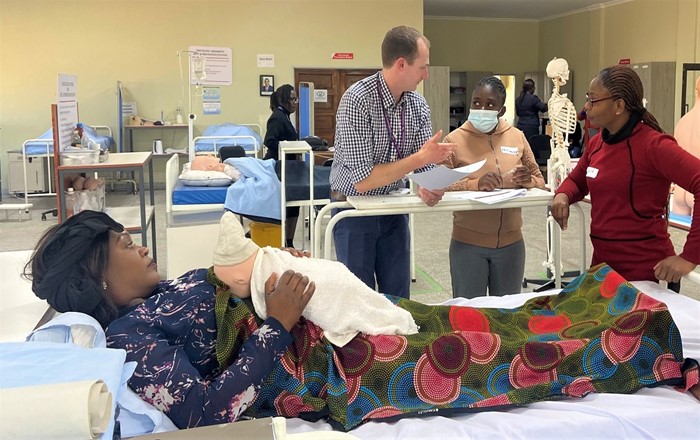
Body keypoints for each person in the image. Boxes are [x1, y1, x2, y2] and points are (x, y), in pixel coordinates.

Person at [22, 210, 700, 431]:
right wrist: (278, 322)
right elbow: (205, 412)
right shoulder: (131, 342)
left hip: (319, 319)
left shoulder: (154, 299)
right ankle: (637, 344)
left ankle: (602, 306)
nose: (137, 243)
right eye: (120, 243)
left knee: (461, 316)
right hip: (328, 362)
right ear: (96, 276)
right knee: (484, 350)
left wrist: (274, 273)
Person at [329, 25, 456, 298]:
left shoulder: (418, 105)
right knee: (358, 300)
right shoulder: (357, 101)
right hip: (354, 212)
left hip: (393, 210)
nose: (427, 74)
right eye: (423, 67)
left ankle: (398, 343)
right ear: (401, 64)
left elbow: (422, 167)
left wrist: (431, 186)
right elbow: (363, 181)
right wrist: (421, 158)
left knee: (398, 301)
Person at [551, 65, 700, 292]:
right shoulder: (598, 142)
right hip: (603, 269)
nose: (586, 107)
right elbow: (577, 180)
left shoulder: (653, 145)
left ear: (619, 105)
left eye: (593, 100)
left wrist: (689, 257)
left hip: (647, 276)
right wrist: (562, 194)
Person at [212, 210, 418, 347]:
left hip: (332, 280)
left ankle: (388, 316)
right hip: (334, 284)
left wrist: (280, 255)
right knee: (363, 302)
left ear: (239, 279)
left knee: (351, 292)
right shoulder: (216, 307)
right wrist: (277, 322)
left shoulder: (267, 261)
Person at [441, 76, 545, 298]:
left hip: (512, 244)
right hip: (468, 244)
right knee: (469, 318)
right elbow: (438, 185)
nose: (482, 108)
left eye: (490, 105)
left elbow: (539, 179)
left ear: (502, 109)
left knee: (506, 318)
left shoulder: (517, 137)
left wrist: (529, 180)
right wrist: (475, 184)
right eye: (476, 102)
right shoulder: (453, 141)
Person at [263, 84, 301, 247]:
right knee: (288, 205)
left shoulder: (284, 116)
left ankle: (289, 242)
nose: (295, 102)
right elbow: (269, 141)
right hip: (278, 167)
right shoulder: (278, 117)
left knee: (293, 205)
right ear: (284, 100)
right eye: (292, 99)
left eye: (296, 99)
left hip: (288, 167)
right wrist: (289, 146)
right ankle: (286, 242)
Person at [671, 76, 700, 218]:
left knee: (679, 237)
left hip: (680, 189)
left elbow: (674, 158)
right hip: (698, 190)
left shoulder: (682, 121)